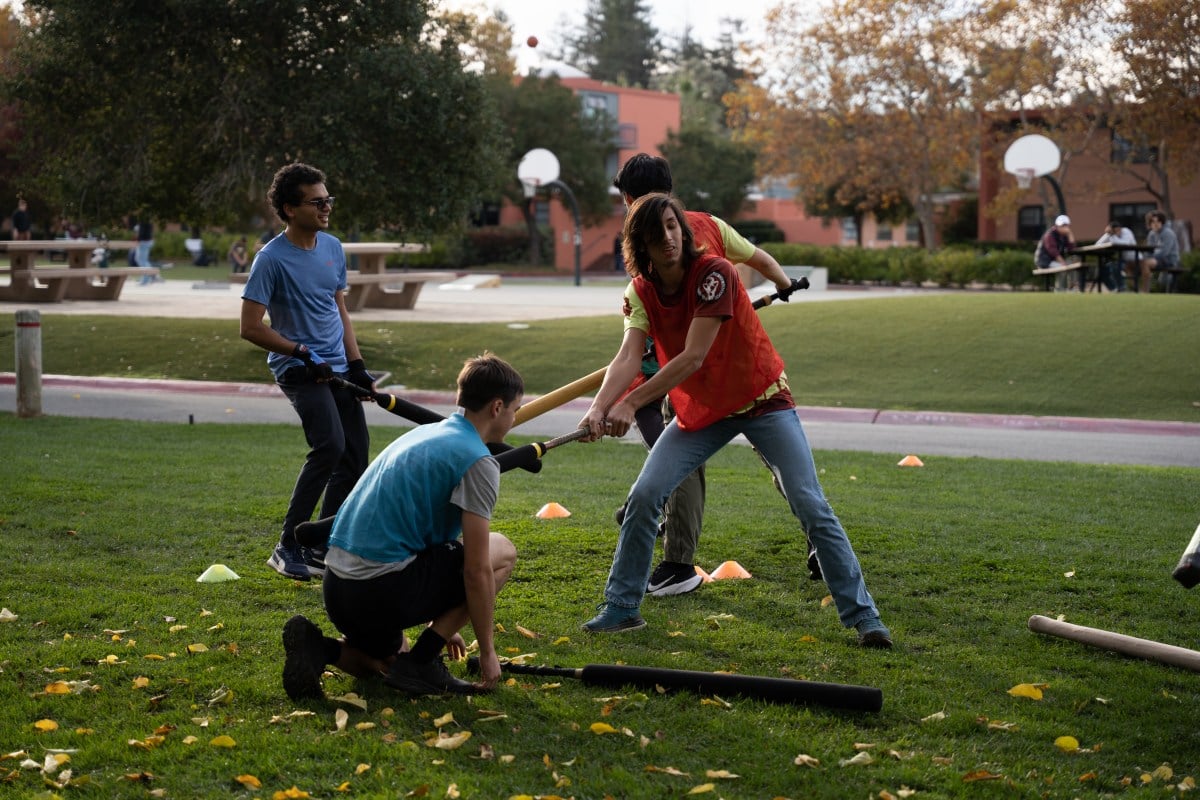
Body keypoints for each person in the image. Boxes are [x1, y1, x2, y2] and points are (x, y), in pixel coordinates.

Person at [577, 193, 892, 648]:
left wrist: (630, 404)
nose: (666, 238)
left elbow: (692, 357)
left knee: (809, 503)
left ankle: (865, 617)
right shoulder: (639, 292)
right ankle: (622, 607)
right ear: (639, 245)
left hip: (761, 398)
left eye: (671, 227)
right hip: (705, 411)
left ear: (682, 232)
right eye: (654, 233)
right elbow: (627, 357)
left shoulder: (715, 275)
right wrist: (598, 407)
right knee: (646, 495)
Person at [609, 153, 817, 598]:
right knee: (784, 466)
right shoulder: (710, 224)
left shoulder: (644, 240)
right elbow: (760, 258)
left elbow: (657, 333)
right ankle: (817, 539)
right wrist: (783, 286)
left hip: (694, 371)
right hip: (736, 372)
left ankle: (677, 563)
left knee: (684, 464)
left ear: (628, 199)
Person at [281, 354, 523, 700]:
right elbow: (476, 571)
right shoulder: (478, 461)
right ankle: (424, 662)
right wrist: (487, 651)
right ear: (497, 407)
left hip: (339, 590)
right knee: (502, 552)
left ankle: (320, 649)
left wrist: (444, 621)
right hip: (379, 592)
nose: (515, 418)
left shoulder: (425, 434)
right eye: (515, 409)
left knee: (392, 663)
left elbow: (423, 540)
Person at [239, 162, 376, 581]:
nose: (326, 207)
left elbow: (339, 309)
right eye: (317, 202)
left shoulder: (333, 248)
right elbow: (249, 327)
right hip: (299, 370)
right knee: (329, 447)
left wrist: (357, 366)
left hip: (336, 368)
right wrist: (300, 352)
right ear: (289, 208)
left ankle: (319, 545)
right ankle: (287, 546)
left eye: (327, 199)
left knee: (354, 457)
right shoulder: (271, 260)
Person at [1136, 210, 1180, 293]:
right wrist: (1146, 257)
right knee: (1137, 263)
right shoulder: (1151, 234)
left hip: (1170, 260)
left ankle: (1145, 291)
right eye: (1153, 221)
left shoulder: (1167, 233)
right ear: (1149, 223)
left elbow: (1165, 252)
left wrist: (1149, 258)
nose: (1155, 223)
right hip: (1157, 259)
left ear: (1162, 222)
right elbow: (1148, 250)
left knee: (1145, 263)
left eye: (1158, 221)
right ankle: (1140, 289)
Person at [1034, 214, 1077, 291]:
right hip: (1044, 262)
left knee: (1072, 262)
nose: (1065, 228)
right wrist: (1063, 263)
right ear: (1057, 226)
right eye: (1062, 225)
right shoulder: (1049, 235)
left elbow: (1071, 249)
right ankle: (1059, 290)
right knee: (1063, 268)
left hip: (1054, 261)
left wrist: (1070, 234)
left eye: (1066, 225)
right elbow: (1053, 251)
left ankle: (1072, 288)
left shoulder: (1064, 236)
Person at [1093, 220, 1136, 292]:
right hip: (1120, 259)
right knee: (1103, 270)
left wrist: (1112, 235)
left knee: (1115, 266)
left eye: (1118, 230)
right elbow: (1097, 244)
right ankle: (1114, 289)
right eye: (1115, 231)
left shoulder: (1126, 231)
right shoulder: (1111, 234)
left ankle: (1122, 288)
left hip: (1131, 259)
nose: (1117, 233)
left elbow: (1125, 243)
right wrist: (1108, 234)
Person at [134, 214, 159, 284]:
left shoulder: (143, 222)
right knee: (142, 260)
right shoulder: (148, 222)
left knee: (142, 261)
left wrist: (138, 240)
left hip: (144, 242)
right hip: (147, 241)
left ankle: (146, 278)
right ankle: (151, 275)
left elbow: (141, 233)